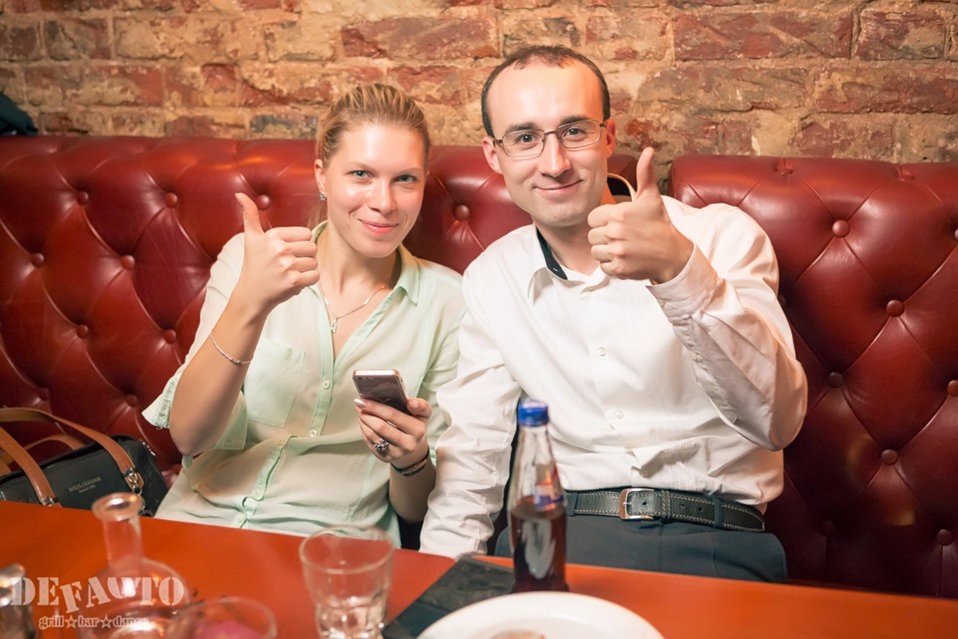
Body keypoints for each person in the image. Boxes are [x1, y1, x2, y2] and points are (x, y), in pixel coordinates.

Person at [419, 46, 808, 582]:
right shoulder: (493, 277)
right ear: (494, 154)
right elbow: (472, 458)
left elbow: (777, 421)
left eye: (574, 131)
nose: (554, 163)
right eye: (525, 138)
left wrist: (680, 272)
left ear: (608, 136)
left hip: (713, 538)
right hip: (560, 536)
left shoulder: (720, 236)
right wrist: (435, 588)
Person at [143, 84, 463, 544]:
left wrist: (410, 459)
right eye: (361, 174)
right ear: (322, 175)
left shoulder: (449, 302)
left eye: (405, 179)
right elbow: (189, 437)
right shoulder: (248, 259)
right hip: (196, 527)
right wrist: (250, 303)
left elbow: (415, 509)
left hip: (332, 550)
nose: (385, 202)